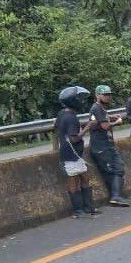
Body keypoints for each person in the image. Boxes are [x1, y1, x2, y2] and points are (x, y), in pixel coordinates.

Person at [55, 86, 99, 218]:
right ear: (73, 101)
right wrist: (88, 127)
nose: (82, 101)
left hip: (73, 154)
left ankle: (89, 207)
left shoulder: (62, 113)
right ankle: (78, 210)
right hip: (71, 155)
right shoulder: (71, 118)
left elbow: (56, 126)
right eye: (79, 99)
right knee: (74, 181)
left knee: (84, 177)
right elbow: (74, 138)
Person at [88, 85, 129, 207]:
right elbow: (105, 126)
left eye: (109, 94)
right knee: (116, 169)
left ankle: (116, 196)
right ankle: (116, 196)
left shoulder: (101, 108)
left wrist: (112, 116)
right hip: (101, 147)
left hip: (106, 146)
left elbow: (102, 118)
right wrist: (117, 122)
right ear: (97, 95)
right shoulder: (96, 108)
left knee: (114, 169)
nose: (108, 97)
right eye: (105, 95)